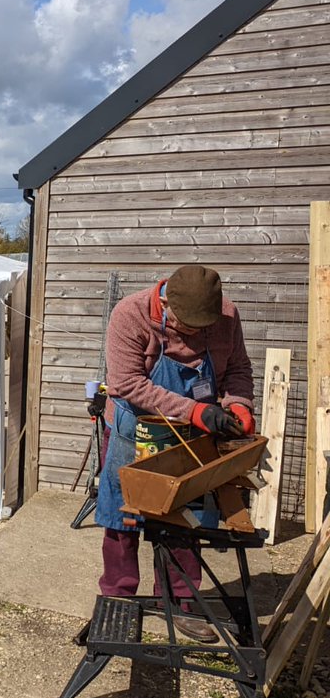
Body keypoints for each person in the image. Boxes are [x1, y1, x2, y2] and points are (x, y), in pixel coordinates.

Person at [96, 265, 254, 642]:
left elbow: (238, 368)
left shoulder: (227, 316)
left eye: (205, 327)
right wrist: (197, 410)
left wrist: (240, 404)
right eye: (189, 326)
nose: (197, 334)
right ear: (165, 302)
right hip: (135, 426)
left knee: (186, 515)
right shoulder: (130, 314)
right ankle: (117, 597)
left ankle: (182, 601)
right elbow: (126, 383)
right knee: (124, 514)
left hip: (194, 431)